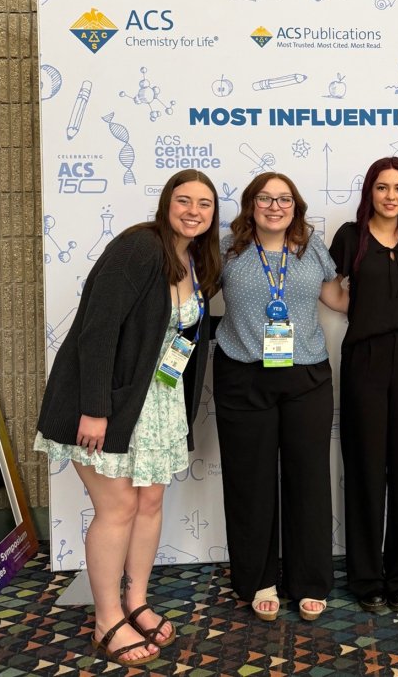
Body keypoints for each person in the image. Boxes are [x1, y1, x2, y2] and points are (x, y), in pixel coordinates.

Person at [34, 169, 221, 666]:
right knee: (116, 508)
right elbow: (98, 330)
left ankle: (136, 602)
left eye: (204, 204)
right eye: (184, 200)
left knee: (150, 505)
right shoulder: (139, 248)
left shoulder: (195, 260)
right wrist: (94, 409)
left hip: (156, 403)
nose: (193, 211)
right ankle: (106, 619)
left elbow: (177, 333)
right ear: (166, 203)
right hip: (107, 404)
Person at [213, 171, 347, 622]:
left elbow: (337, 299)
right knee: (250, 481)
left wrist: (396, 274)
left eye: (285, 198)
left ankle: (310, 579)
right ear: (251, 205)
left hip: (306, 376)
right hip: (243, 375)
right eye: (266, 198)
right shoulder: (227, 250)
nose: (275, 206)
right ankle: (258, 578)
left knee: (308, 479)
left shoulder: (312, 248)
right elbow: (190, 295)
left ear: (297, 205)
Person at [329, 156, 398, 613]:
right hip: (365, 360)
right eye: (382, 187)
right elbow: (327, 286)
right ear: (369, 192)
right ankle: (365, 578)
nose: (391, 195)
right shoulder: (350, 236)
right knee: (364, 469)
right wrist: (363, 309)